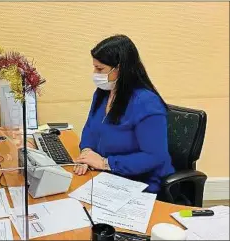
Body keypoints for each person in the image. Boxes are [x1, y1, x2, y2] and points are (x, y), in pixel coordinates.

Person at [74, 35, 174, 193]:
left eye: (100, 69)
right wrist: (86, 153)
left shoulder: (146, 103)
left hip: (142, 183)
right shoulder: (102, 94)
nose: (95, 73)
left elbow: (154, 156)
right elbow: (90, 129)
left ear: (119, 68)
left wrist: (105, 163)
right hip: (109, 177)